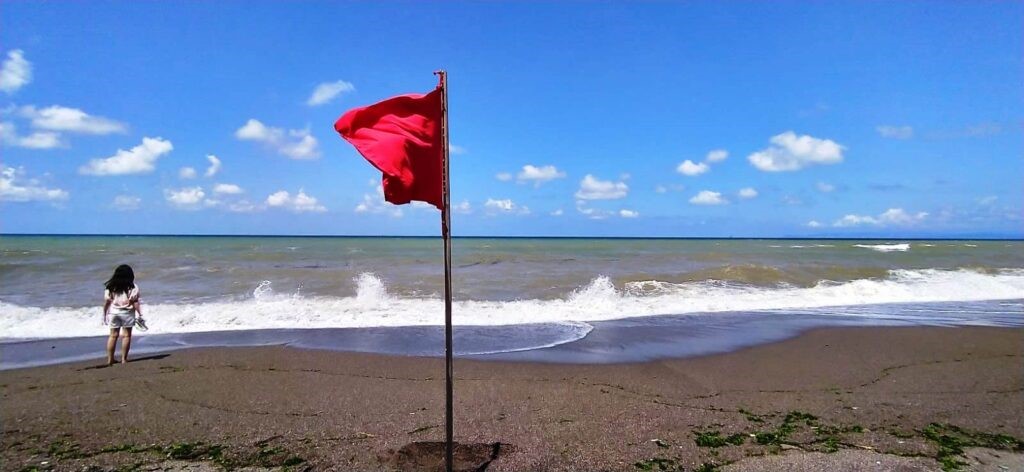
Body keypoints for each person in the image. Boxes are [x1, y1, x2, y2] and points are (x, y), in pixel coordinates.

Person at [102, 264, 144, 365]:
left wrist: (104, 313)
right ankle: (124, 359)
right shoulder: (133, 287)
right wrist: (140, 314)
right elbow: (135, 302)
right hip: (127, 313)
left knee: (113, 336)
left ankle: (110, 359)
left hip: (114, 313)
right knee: (126, 336)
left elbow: (107, 302)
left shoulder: (111, 287)